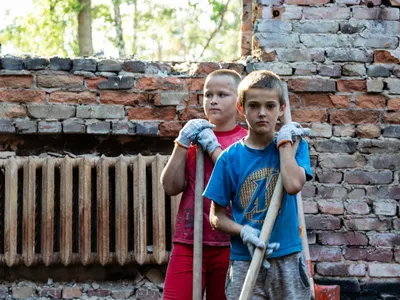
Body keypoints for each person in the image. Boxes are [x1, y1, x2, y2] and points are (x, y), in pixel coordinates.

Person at [204, 70, 313, 299]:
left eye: (270, 106)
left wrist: (283, 143)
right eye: (254, 106)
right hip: (245, 260)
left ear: (282, 109)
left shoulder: (294, 146)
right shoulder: (229, 158)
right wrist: (244, 231)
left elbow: (293, 185)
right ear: (241, 109)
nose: (262, 113)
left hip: (288, 258)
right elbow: (216, 217)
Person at [161, 69, 247, 300]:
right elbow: (171, 187)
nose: (213, 100)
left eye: (222, 94)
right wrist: (181, 142)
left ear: (239, 103)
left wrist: (214, 149)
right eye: (208, 95)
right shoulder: (195, 140)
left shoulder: (246, 142)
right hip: (190, 240)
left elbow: (239, 187)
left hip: (233, 245)